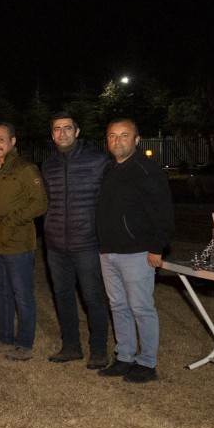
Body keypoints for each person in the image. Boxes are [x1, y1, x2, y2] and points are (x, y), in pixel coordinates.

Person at [95, 119, 174, 384]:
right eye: (112, 136)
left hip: (138, 253)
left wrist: (156, 248)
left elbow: (163, 212)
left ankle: (147, 363)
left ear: (137, 140)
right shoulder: (110, 170)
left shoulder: (146, 170)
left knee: (141, 308)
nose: (117, 141)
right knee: (118, 306)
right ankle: (124, 357)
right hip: (109, 252)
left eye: (124, 135)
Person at [41, 111, 112, 368]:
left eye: (67, 128)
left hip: (88, 243)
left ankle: (99, 349)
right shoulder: (48, 165)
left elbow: (110, 201)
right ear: (52, 134)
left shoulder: (98, 161)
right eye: (57, 129)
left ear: (77, 131)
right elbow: (46, 202)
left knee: (93, 297)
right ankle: (71, 346)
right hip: (56, 245)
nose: (62, 133)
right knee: (63, 296)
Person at [0, 122, 48, 361]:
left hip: (17, 244)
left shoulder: (24, 168)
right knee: (1, 292)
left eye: (1, 139)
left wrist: (12, 220)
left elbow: (40, 203)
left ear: (13, 141)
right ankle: (4, 338)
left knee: (21, 294)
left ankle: (24, 343)